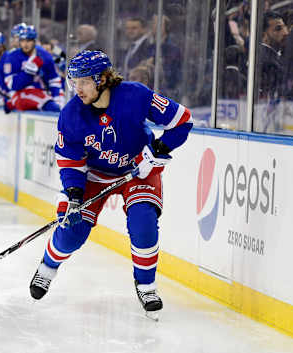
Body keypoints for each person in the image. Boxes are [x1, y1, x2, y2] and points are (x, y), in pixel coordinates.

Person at [29, 50, 193, 317]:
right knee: (72, 232)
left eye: (83, 81)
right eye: (74, 81)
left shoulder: (135, 95)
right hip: (94, 174)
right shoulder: (71, 114)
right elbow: (69, 160)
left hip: (138, 169)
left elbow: (182, 121)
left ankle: (146, 284)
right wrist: (73, 195)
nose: (77, 89)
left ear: (103, 78)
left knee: (143, 222)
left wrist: (157, 149)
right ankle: (47, 267)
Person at [3, 25, 64, 112]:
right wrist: (30, 70)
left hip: (42, 92)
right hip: (21, 94)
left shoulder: (45, 55)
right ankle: (12, 102)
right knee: (52, 107)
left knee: (58, 106)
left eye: (28, 40)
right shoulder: (12, 56)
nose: (25, 44)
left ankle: (11, 103)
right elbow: (12, 85)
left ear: (35, 41)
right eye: (22, 40)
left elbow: (54, 79)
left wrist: (57, 98)